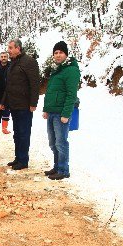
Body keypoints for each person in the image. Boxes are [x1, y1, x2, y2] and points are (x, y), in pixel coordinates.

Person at [0, 38, 40, 170]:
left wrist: (33, 103)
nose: (8, 51)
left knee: (23, 133)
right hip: (14, 105)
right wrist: (3, 102)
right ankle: (18, 158)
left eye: (10, 48)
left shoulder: (29, 62)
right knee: (17, 133)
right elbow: (9, 85)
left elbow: (35, 83)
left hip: (25, 105)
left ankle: (23, 161)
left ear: (18, 48)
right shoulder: (13, 63)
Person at [43, 41, 80, 180]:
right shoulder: (56, 69)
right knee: (53, 142)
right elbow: (51, 92)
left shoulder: (71, 70)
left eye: (60, 53)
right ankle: (57, 166)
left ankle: (64, 170)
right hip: (52, 112)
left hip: (61, 114)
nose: (58, 55)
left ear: (66, 54)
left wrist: (66, 114)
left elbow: (71, 94)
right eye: (56, 53)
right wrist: (46, 109)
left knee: (61, 142)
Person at [0, 51, 11, 134]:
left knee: (6, 110)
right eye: (2, 56)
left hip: (8, 92)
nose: (3, 58)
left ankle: (4, 128)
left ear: (7, 57)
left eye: (5, 56)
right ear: (0, 58)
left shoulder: (12, 66)